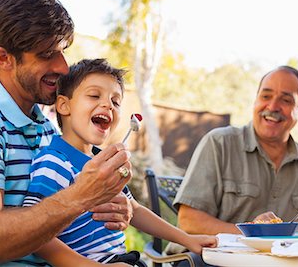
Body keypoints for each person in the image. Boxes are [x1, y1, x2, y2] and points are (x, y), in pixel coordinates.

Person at [0, 0, 133, 267]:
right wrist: (80, 196)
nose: (64, 67)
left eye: (63, 52)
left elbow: (58, 214)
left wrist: (111, 208)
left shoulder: (48, 129)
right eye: (46, 54)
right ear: (4, 58)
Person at [23, 58, 218, 266]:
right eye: (94, 95)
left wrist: (188, 239)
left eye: (116, 102)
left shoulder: (105, 162)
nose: (108, 104)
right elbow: (36, 235)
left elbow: (136, 211)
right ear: (63, 105)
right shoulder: (54, 161)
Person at [171, 66, 298, 242]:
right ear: (255, 100)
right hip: (210, 259)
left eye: (286, 100)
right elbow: (189, 222)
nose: (273, 106)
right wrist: (252, 233)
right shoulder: (219, 143)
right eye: (266, 96)